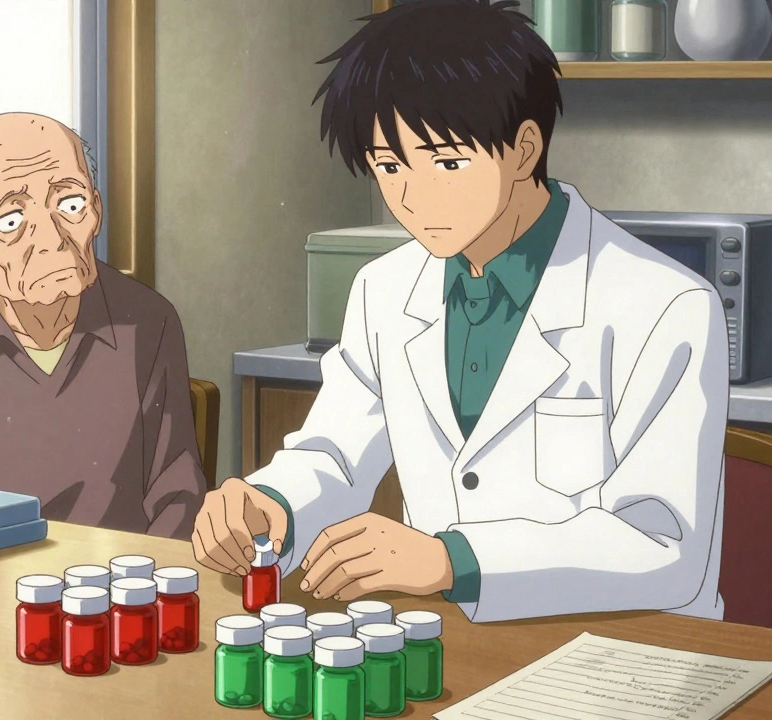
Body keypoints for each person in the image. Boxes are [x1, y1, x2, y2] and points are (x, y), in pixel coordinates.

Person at [192, 0, 729, 622]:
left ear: (524, 149)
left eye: (448, 162)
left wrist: (454, 560)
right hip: (451, 638)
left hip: (626, 653)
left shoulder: (667, 305)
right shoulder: (383, 290)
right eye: (389, 165)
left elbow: (664, 543)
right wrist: (271, 505)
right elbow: (333, 456)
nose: (414, 196)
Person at [0, 112, 206, 539]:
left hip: (123, 574)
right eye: (10, 221)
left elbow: (177, 498)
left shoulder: (148, 320)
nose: (53, 239)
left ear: (96, 208)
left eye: (70, 205)